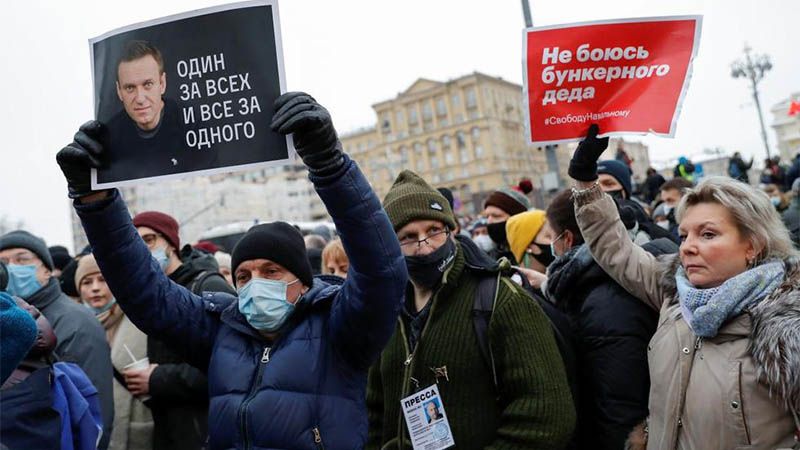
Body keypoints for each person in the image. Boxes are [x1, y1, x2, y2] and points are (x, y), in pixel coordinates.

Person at [57, 91, 407, 449]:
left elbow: (382, 271)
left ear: (303, 282)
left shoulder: (339, 327)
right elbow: (146, 292)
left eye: (271, 271)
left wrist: (330, 165)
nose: (255, 284)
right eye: (244, 276)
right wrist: (95, 201)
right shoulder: (222, 330)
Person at [567, 124, 800, 449]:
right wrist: (585, 180)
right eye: (685, 234)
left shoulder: (789, 324)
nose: (688, 247)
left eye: (707, 234)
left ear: (754, 244)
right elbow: (615, 248)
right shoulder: (675, 292)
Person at [367, 170, 575, 449]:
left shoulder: (502, 300)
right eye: (408, 236)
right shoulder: (387, 314)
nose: (425, 246)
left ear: (451, 230)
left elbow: (547, 415)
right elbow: (375, 414)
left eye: (433, 231)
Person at [543, 188, 678, 450]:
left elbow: (619, 406)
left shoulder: (605, 303)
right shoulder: (605, 281)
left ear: (567, 239)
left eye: (551, 236)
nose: (552, 245)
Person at [0, 230, 114, 449]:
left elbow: (95, 410)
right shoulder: (11, 321)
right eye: (4, 262)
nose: (12, 268)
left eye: (22, 259)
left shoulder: (76, 321)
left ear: (47, 270)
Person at [130, 210, 233, 450]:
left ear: (171, 243)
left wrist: (158, 379)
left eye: (149, 239)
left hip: (206, 432)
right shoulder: (150, 295)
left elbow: (234, 365)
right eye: (135, 243)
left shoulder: (207, 285)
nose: (143, 249)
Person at [75, 254, 154, 450]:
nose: (95, 287)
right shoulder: (76, 326)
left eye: (103, 279)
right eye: (87, 282)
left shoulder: (140, 321)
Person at [104, 40, 186, 182]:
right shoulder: (107, 140)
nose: (140, 98)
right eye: (130, 88)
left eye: (148, 84)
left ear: (162, 84)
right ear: (119, 91)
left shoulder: (192, 123)